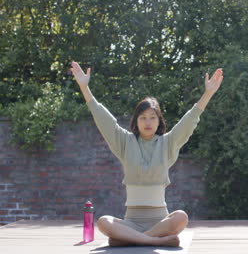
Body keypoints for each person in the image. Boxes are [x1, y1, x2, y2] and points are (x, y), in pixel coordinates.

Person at [71, 62, 223, 247]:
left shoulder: (168, 142)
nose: (148, 122)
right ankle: (151, 240)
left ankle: (130, 239)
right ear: (136, 121)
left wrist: (208, 93)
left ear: (159, 121)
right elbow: (104, 119)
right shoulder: (125, 141)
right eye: (143, 117)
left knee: (181, 217)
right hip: (131, 221)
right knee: (103, 221)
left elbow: (190, 120)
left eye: (152, 117)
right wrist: (84, 87)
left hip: (160, 222)